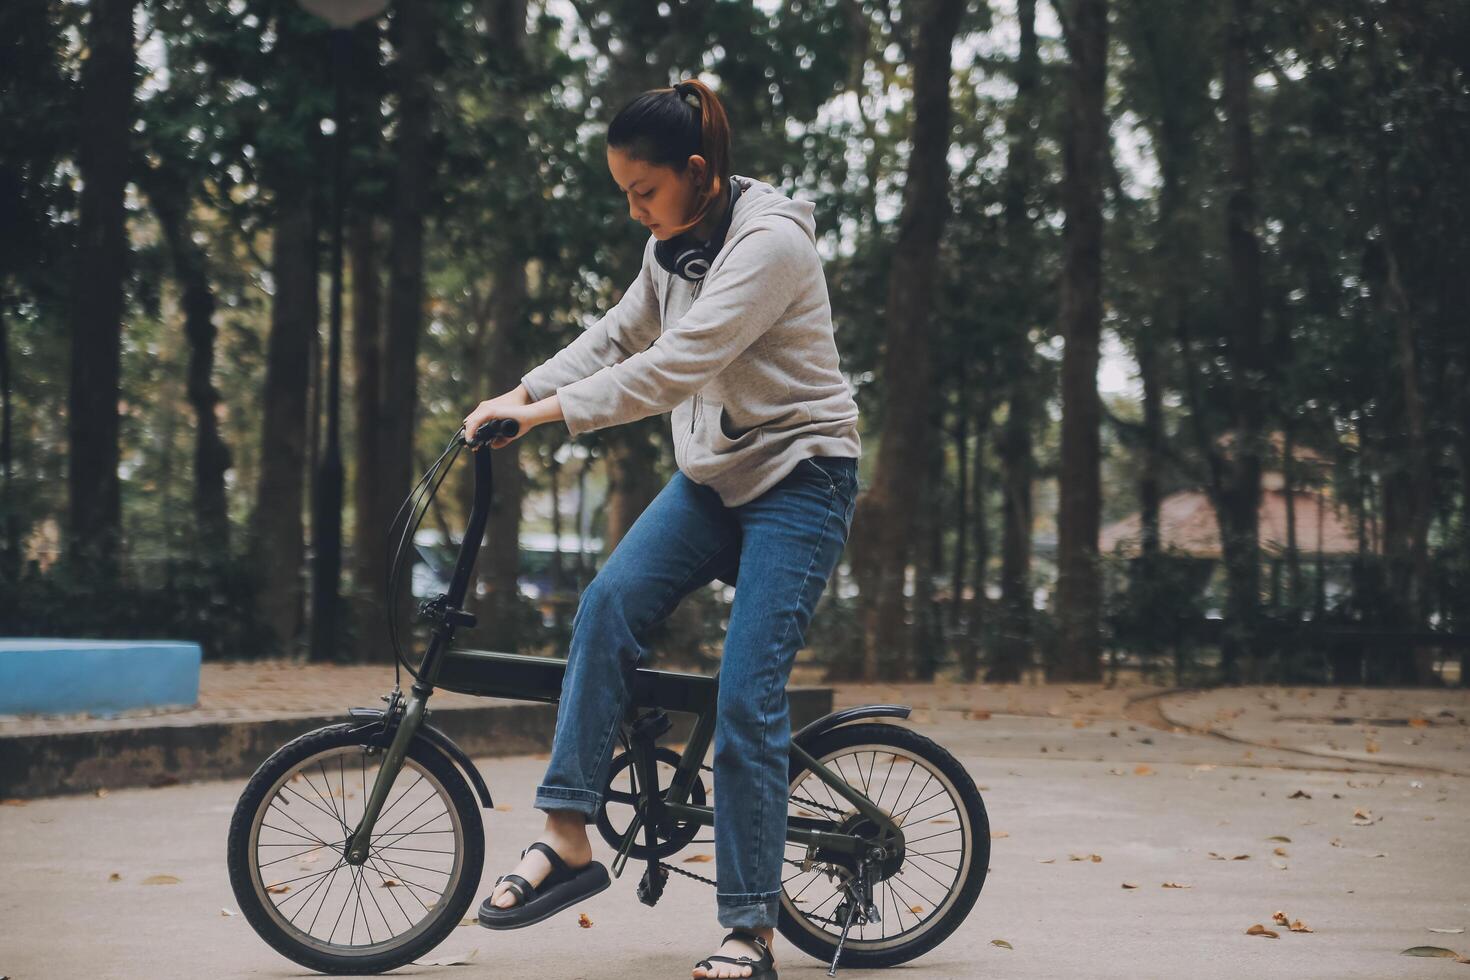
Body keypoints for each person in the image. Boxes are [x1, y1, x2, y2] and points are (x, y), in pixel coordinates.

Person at [462, 76, 860, 980]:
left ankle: (749, 930)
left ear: (697, 171)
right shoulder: (671, 243)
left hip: (802, 480)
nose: (636, 212)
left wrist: (548, 416)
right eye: (625, 196)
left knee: (746, 696)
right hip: (716, 477)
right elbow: (618, 333)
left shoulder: (770, 247)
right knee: (607, 605)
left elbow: (675, 364)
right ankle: (568, 834)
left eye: (645, 193)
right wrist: (521, 390)